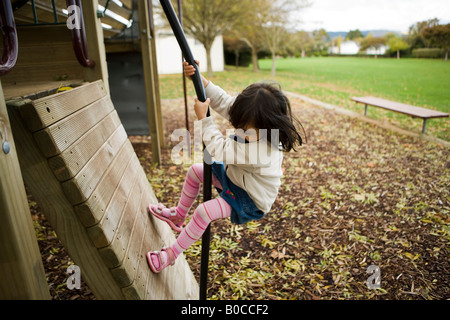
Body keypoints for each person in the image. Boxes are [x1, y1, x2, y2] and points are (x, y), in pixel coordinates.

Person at [147, 61, 304, 273]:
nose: (239, 130)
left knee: (204, 211)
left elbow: (219, 149)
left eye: (245, 129)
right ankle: (178, 216)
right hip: (236, 177)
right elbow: (222, 101)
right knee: (195, 172)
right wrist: (200, 80)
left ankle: (171, 254)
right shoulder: (251, 118)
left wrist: (203, 119)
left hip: (249, 199)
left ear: (268, 127)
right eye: (238, 124)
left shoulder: (261, 152)